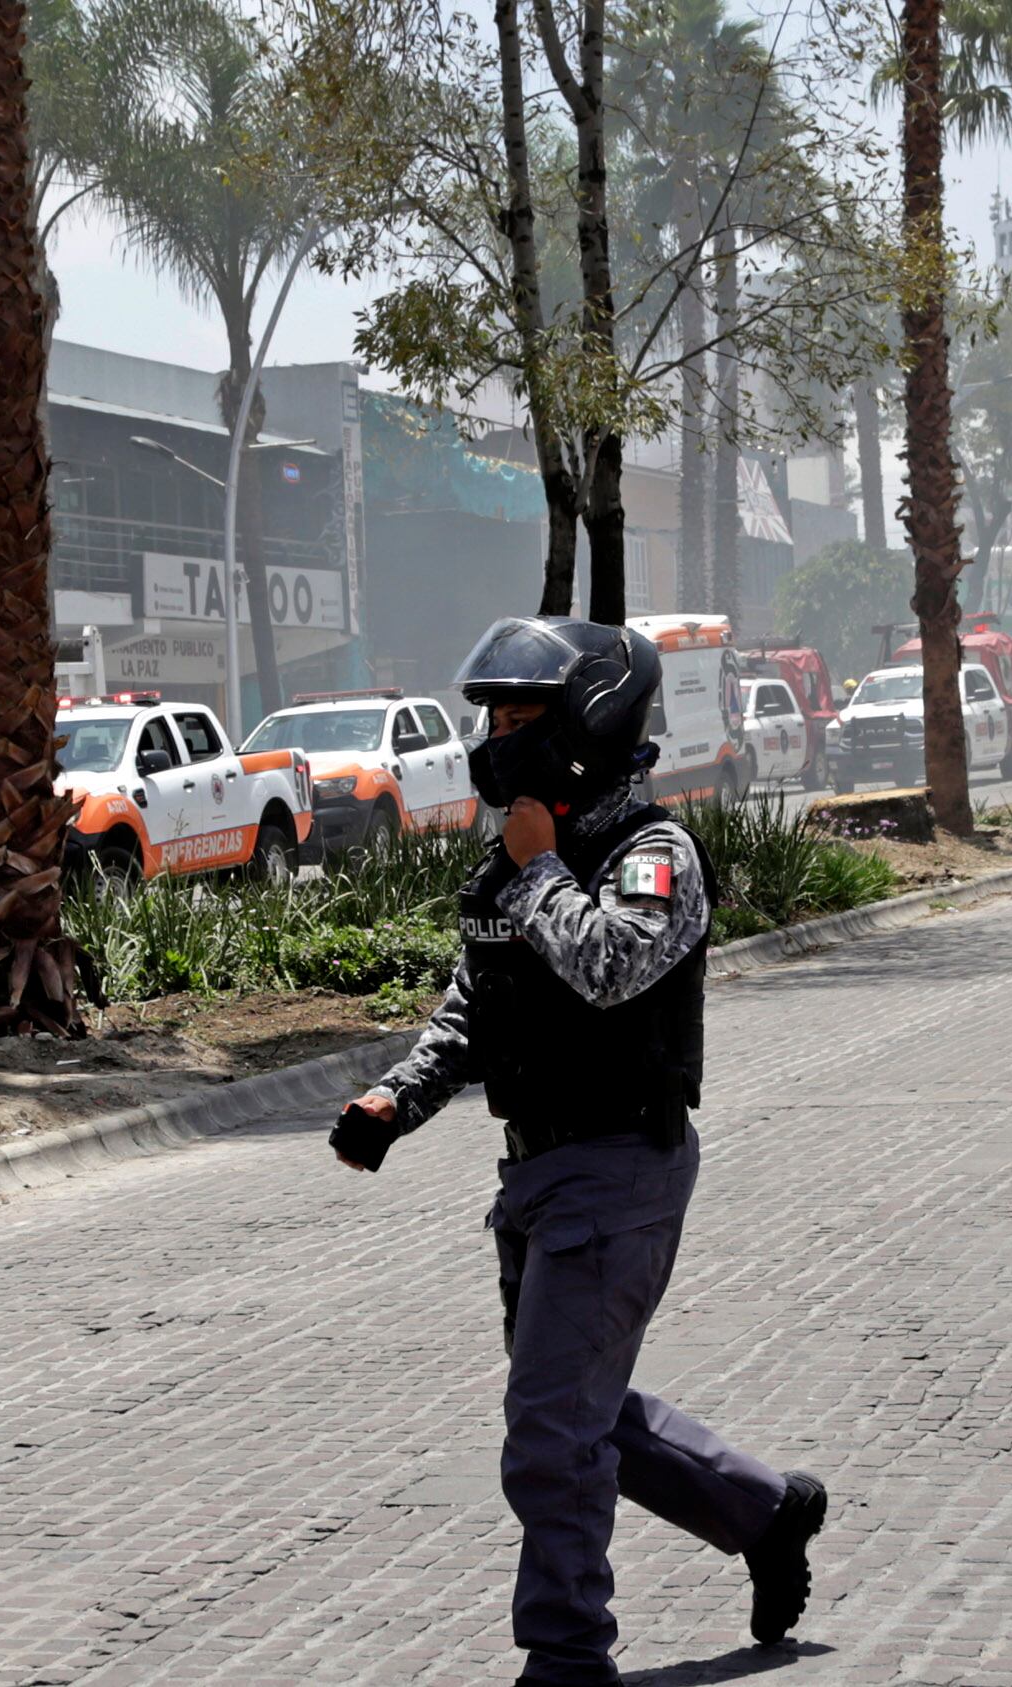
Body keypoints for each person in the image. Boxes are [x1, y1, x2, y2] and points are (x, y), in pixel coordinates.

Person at [329, 615, 830, 1685]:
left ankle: (566, 1659)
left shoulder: (652, 853)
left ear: (585, 728)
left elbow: (611, 967)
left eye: (521, 718)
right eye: (493, 720)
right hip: (535, 1172)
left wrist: (540, 869)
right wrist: (396, 1099)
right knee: (576, 1404)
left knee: (552, 1429)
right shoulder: (519, 855)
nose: (497, 740)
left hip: (620, 1165)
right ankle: (763, 1509)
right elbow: (477, 1003)